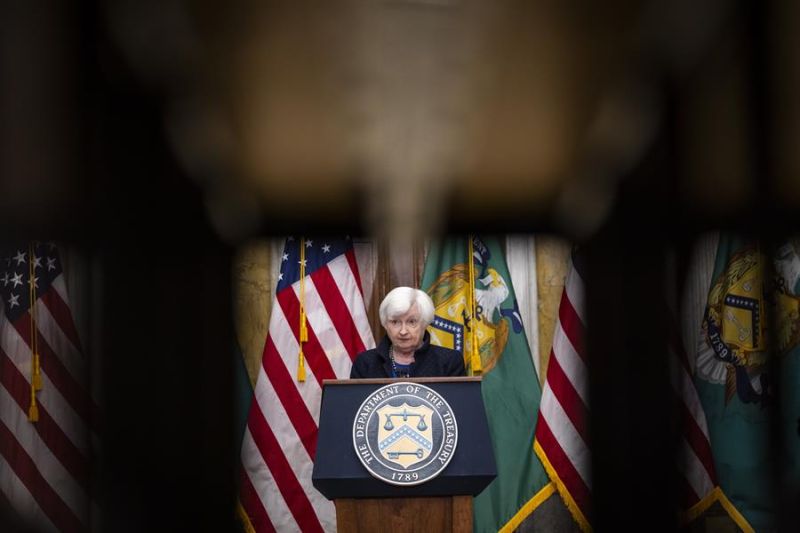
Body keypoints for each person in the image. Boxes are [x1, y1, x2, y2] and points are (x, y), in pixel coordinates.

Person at [350, 286, 466, 378]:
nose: (403, 331)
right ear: (385, 324)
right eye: (395, 322)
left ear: (425, 323)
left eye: (411, 322)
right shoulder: (365, 363)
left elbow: (457, 406)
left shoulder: (449, 361)